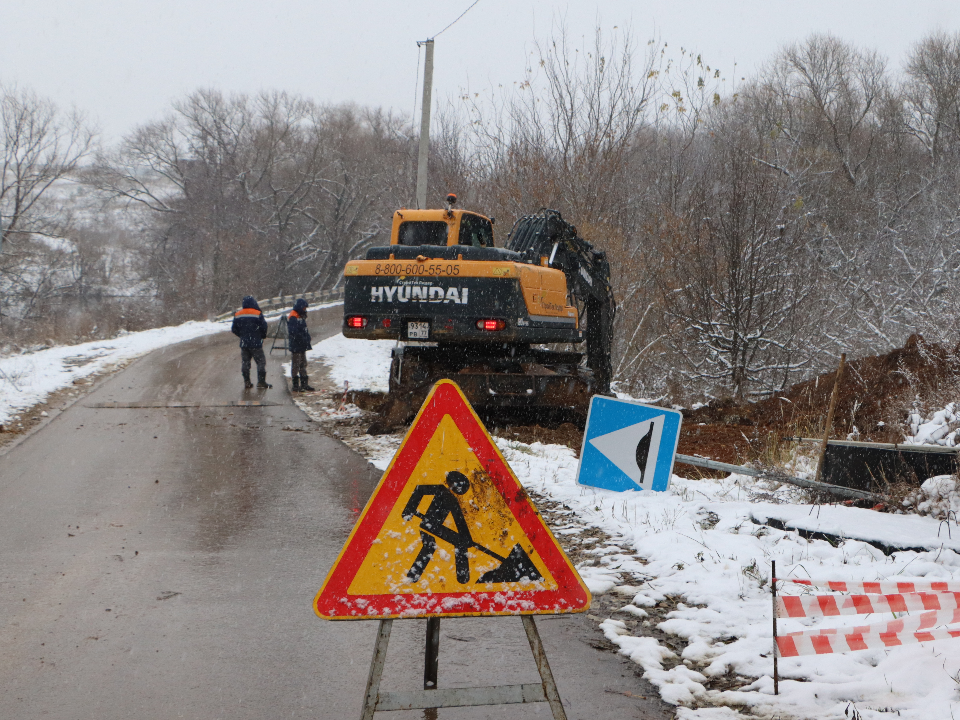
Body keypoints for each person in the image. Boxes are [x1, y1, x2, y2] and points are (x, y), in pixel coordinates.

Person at [231, 296, 270, 389]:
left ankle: (247, 382)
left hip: (244, 343)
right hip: (256, 343)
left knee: (245, 363)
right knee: (261, 362)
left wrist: (242, 335)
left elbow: (234, 329)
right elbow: (264, 327)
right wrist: (262, 335)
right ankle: (261, 382)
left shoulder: (238, 314)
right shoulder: (257, 313)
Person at [286, 298, 314, 392]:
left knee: (303, 364)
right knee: (296, 365)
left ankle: (304, 384)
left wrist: (307, 337)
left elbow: (303, 329)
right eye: (304, 308)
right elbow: (294, 331)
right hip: (296, 345)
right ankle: (296, 385)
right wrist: (303, 338)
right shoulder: (294, 316)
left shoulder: (299, 315)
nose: (305, 310)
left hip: (301, 344)